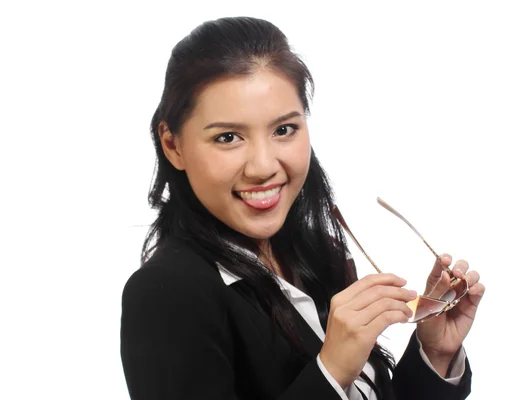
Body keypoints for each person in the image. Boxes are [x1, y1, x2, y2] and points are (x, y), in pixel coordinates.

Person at [120, 16, 485, 400]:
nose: (263, 166)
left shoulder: (319, 255)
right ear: (173, 145)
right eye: (228, 137)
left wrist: (435, 353)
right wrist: (330, 371)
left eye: (283, 130)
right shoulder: (167, 295)